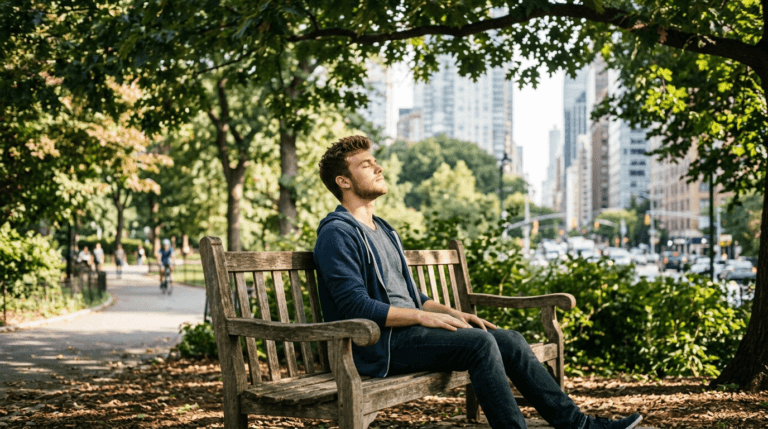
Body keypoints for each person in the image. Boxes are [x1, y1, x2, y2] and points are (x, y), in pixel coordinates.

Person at [313, 136, 643, 429]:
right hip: (378, 347)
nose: (379, 168)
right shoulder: (337, 232)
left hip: (407, 336)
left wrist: (452, 314)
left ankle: (579, 425)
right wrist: (421, 317)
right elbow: (353, 306)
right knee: (479, 345)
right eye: (366, 165)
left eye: (376, 162)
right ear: (343, 180)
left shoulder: (384, 229)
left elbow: (415, 297)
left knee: (509, 339)